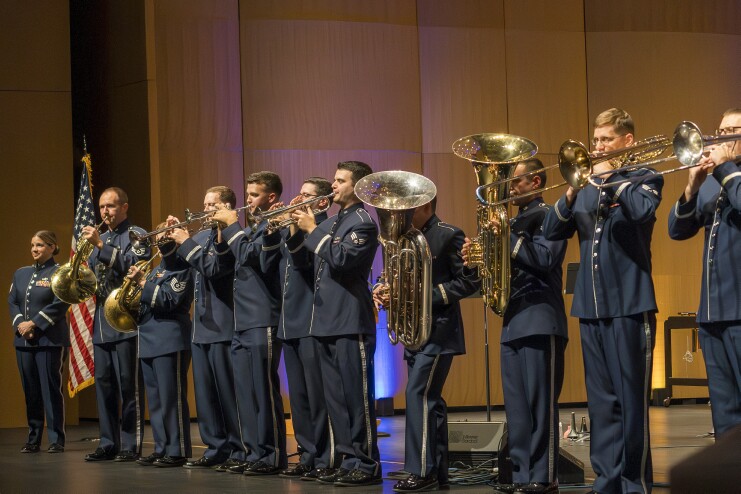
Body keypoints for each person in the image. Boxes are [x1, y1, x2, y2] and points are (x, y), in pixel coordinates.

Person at [542, 108, 663, 494]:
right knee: (601, 403)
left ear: (627, 141)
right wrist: (572, 190)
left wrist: (612, 179)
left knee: (630, 402)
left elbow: (642, 212)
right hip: (591, 308)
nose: (597, 148)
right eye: (595, 141)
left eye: (605, 140)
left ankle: (634, 482)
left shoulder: (645, 177)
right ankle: (607, 481)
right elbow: (551, 228)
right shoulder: (586, 186)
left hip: (630, 304)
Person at [463, 159, 568, 494]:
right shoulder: (511, 221)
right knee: (519, 410)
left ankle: (544, 477)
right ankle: (522, 475)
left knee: (540, 406)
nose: (507, 188)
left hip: (540, 318)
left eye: (515, 181)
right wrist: (476, 257)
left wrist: (506, 237)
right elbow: (494, 279)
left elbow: (545, 259)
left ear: (534, 181)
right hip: (512, 322)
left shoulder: (548, 214)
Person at [372, 197, 480, 492]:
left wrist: (421, 297)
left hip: (439, 332)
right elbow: (394, 275)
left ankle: (420, 471)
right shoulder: (403, 239)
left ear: (426, 207)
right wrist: (383, 287)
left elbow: (470, 281)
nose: (399, 213)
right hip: (414, 333)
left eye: (407, 208)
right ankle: (438, 470)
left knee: (418, 394)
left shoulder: (449, 234)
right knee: (432, 401)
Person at [290, 161, 381, 486]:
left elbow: (343, 261)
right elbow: (305, 263)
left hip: (349, 320)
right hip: (326, 321)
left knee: (357, 399)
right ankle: (347, 458)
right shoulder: (336, 220)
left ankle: (366, 463)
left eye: (340, 180)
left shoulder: (363, 222)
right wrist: (296, 231)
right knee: (336, 401)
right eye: (334, 178)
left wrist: (312, 230)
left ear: (356, 187)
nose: (334, 185)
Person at [668, 108, 741, 438]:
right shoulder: (714, 184)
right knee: (724, 411)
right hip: (712, 313)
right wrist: (692, 187)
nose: (723, 137)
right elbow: (676, 230)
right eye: (721, 130)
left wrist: (725, 168)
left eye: (733, 131)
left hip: (740, 311)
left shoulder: (729, 177)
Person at [212, 171, 286, 475]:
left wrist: (231, 226)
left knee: (262, 391)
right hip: (241, 320)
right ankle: (252, 451)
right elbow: (227, 260)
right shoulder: (254, 227)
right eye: (248, 194)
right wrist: (221, 230)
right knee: (245, 392)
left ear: (271, 197)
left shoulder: (274, 225)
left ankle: (271, 455)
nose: (248, 201)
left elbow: (254, 258)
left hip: (262, 318)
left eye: (254, 195)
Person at [259, 177, 333, 478]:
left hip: (313, 322)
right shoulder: (295, 227)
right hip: (289, 322)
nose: (297, 200)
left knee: (318, 397)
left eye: (307, 196)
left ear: (322, 202)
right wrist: (273, 229)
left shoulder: (325, 229)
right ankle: (307, 455)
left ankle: (325, 457)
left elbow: (304, 264)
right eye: (298, 194)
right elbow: (266, 266)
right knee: (299, 398)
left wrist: (296, 227)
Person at [168, 186, 246, 470]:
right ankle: (215, 448)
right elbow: (178, 265)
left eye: (211, 204)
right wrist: (172, 239)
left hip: (225, 325)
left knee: (228, 393)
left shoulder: (234, 236)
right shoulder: (199, 236)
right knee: (205, 394)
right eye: (204, 203)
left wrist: (186, 243)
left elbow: (215, 269)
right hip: (200, 326)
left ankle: (239, 449)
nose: (204, 210)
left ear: (226, 206)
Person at [82, 187, 151, 462]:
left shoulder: (137, 234)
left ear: (124, 207)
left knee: (128, 384)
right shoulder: (103, 237)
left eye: (110, 206)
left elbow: (135, 268)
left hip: (126, 319)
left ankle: (129, 444)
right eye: (101, 207)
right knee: (105, 384)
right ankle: (108, 442)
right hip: (101, 321)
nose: (104, 212)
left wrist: (101, 246)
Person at [127, 226, 193, 467]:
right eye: (159, 235)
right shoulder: (157, 269)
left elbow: (169, 300)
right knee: (155, 399)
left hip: (170, 338)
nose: (161, 239)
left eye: (167, 235)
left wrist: (142, 282)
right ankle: (162, 446)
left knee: (171, 398)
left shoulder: (183, 267)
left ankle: (177, 449)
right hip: (148, 337)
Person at [8, 231, 70, 454]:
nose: (34, 249)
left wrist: (33, 324)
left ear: (52, 247)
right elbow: (12, 301)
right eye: (33, 245)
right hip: (23, 342)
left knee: (51, 391)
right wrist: (20, 325)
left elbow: (60, 303)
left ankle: (56, 439)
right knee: (31, 391)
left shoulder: (60, 273)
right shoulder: (21, 274)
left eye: (40, 245)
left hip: (49, 341)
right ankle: (33, 438)